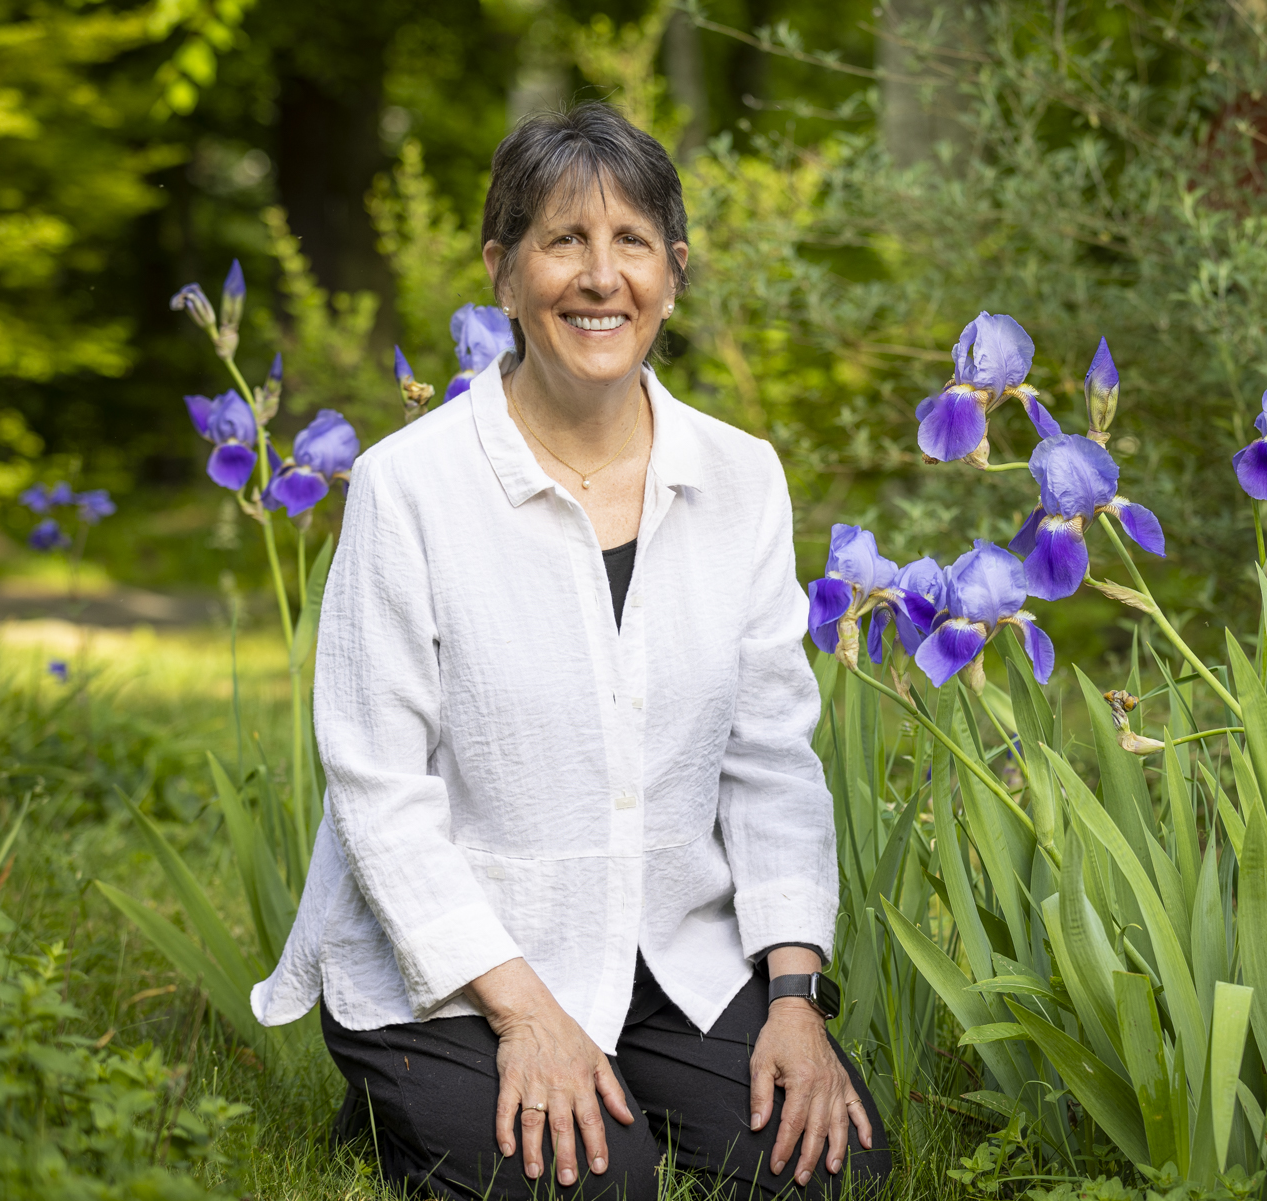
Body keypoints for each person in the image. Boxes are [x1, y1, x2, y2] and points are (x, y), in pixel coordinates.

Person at [250, 101, 890, 1200]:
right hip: (451, 964)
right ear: (503, 271)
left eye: (631, 241)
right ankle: (403, 1091)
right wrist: (527, 1015)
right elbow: (377, 787)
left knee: (834, 1169)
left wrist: (792, 998)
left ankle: (578, 1074)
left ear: (673, 272)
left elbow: (772, 758)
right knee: (606, 1188)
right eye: (563, 241)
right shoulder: (412, 488)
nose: (601, 278)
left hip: (660, 949)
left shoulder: (742, 478)